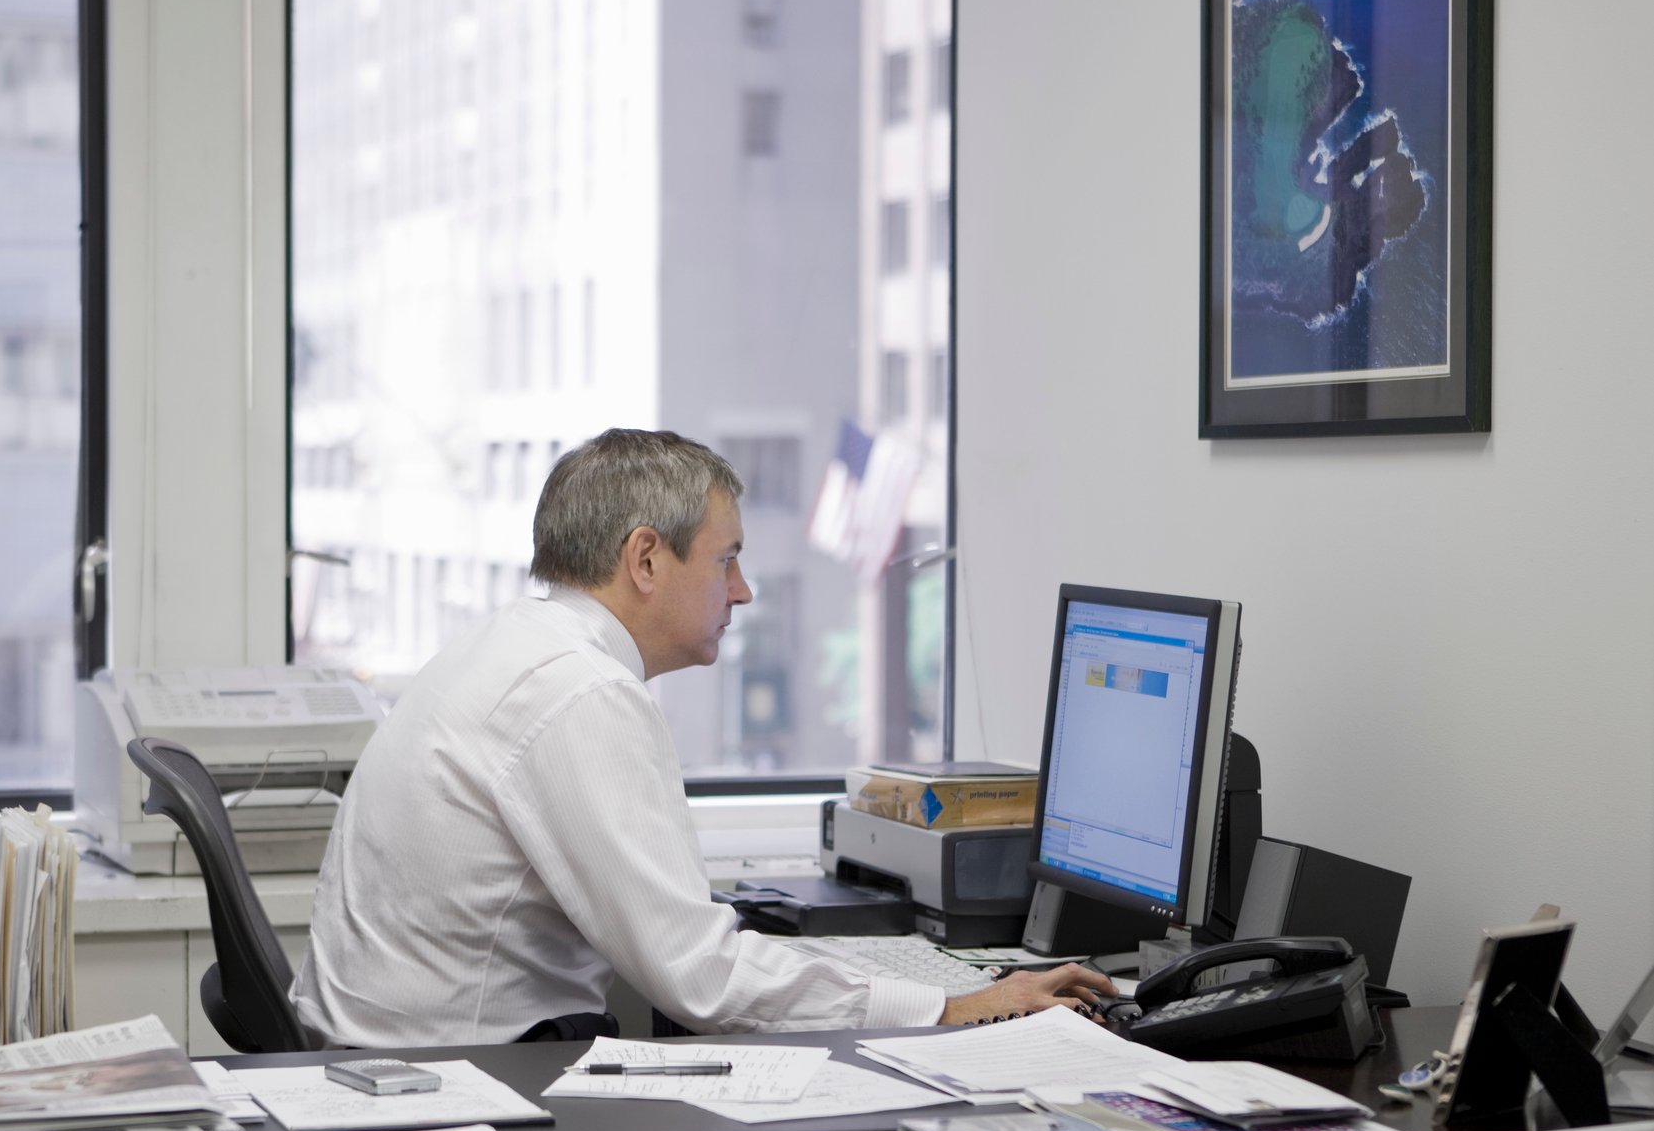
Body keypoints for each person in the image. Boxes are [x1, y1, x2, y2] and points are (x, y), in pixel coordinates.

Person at [289, 428, 1111, 1047]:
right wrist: (955, 1004)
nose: (745, 591)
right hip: (459, 1078)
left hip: (401, 1052)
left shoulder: (518, 644)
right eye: (725, 562)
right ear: (645, 559)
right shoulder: (581, 692)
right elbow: (701, 979)